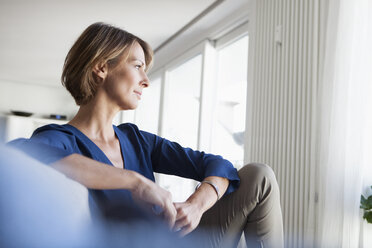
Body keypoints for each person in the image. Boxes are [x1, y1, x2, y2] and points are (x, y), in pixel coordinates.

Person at [8, 22, 283, 248]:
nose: (146, 80)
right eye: (137, 66)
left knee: (259, 176)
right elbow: (17, 155)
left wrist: (197, 206)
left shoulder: (137, 140)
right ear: (101, 67)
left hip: (170, 240)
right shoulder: (60, 139)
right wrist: (136, 182)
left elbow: (220, 166)